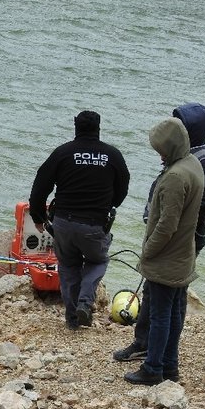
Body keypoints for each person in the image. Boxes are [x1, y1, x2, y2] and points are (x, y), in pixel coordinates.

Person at [114, 103, 205, 364]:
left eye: (181, 125)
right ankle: (157, 352)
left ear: (191, 130)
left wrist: (157, 243)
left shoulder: (202, 161)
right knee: (162, 298)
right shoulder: (186, 158)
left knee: (166, 300)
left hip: (180, 240)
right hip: (174, 237)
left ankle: (153, 354)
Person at [29, 110, 130, 329]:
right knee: (98, 261)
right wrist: (108, 204)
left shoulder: (63, 153)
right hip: (95, 224)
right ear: (98, 128)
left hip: (64, 223)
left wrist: (38, 216)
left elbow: (40, 186)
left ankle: (72, 317)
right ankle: (85, 301)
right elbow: (123, 188)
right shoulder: (112, 155)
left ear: (75, 126)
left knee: (68, 265)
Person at [124, 117, 204, 385]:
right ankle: (170, 366)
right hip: (184, 255)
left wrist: (147, 252)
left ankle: (153, 368)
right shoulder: (194, 164)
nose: (158, 153)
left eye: (160, 148)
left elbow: (166, 226)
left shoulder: (174, 177)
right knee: (175, 312)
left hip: (166, 259)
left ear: (169, 146)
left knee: (159, 316)